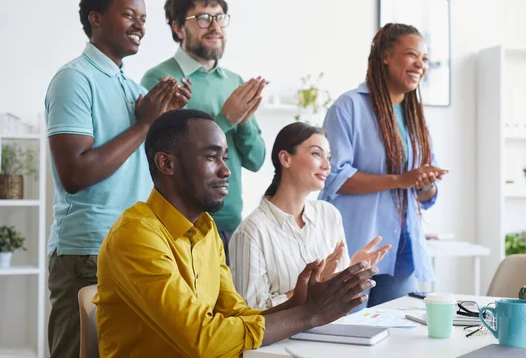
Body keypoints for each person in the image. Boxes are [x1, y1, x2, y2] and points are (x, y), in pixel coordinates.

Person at [94, 109, 377, 357]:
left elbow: (235, 316)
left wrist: (299, 302)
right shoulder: (137, 236)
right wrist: (309, 314)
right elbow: (201, 340)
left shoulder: (206, 232)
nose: (226, 170)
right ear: (166, 163)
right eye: (211, 157)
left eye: (225, 157)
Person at [44, 0, 190, 358]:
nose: (141, 25)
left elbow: (143, 165)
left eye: (143, 17)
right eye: (129, 15)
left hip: (135, 245)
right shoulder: (73, 80)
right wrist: (144, 124)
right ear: (95, 18)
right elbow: (74, 175)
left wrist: (164, 120)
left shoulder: (129, 86)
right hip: (88, 250)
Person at [319, 23, 448, 307]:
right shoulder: (348, 107)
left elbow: (426, 194)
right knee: (349, 337)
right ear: (386, 56)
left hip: (403, 248)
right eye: (412, 55)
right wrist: (400, 180)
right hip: (357, 245)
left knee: (396, 336)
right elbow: (333, 177)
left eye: (425, 59)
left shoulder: (416, 118)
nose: (420, 64)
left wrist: (424, 183)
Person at [141, 0, 265, 263]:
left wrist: (242, 120)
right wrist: (227, 118)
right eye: (203, 18)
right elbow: (159, 156)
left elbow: (256, 160)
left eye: (220, 17)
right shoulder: (158, 79)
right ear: (177, 27)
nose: (215, 26)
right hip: (180, 224)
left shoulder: (235, 82)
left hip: (232, 223)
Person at [230, 122, 391, 310]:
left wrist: (352, 269)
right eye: (316, 154)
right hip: (285, 340)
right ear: (285, 158)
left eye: (328, 157)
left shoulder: (329, 215)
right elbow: (252, 313)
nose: (327, 166)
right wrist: (314, 285)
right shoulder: (250, 232)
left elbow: (336, 293)